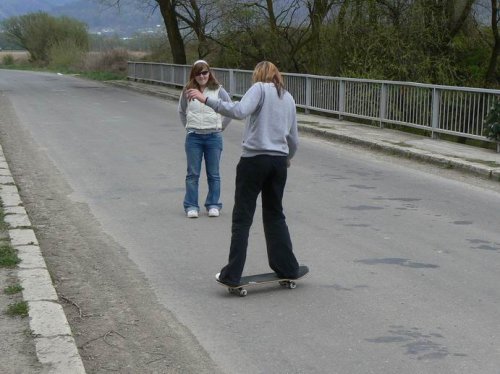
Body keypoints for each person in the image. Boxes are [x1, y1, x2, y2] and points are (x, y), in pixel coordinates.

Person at [186, 61, 306, 286]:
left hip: (254, 161)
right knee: (275, 215)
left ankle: (232, 274)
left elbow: (238, 111)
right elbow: (294, 139)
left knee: (242, 218)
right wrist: (286, 157)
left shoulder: (259, 89)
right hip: (278, 163)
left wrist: (207, 99)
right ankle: (288, 267)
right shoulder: (288, 97)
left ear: (259, 75)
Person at [178, 60, 232, 218]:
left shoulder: (218, 90)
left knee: (213, 173)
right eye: (198, 73)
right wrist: (188, 127)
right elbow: (181, 110)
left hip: (213, 137)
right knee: (192, 174)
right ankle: (191, 206)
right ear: (193, 75)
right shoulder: (188, 90)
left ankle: (213, 204)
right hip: (194, 137)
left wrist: (222, 126)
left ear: (209, 73)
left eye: (204, 72)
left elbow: (230, 109)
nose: (202, 76)